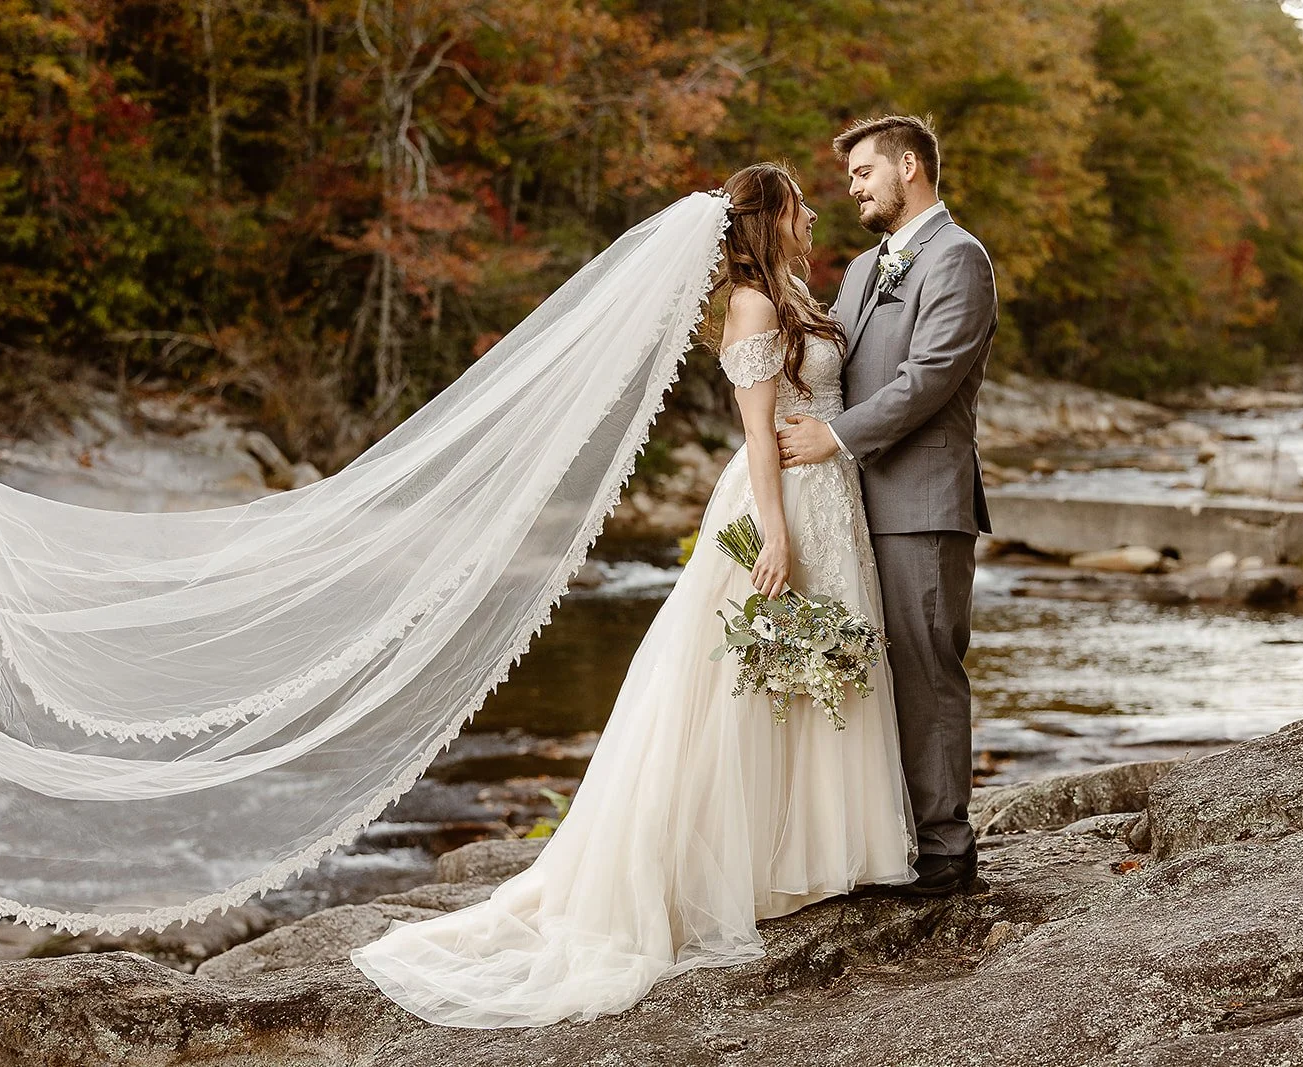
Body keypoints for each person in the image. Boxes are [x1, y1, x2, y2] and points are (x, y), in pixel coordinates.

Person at [348, 161, 917, 1028]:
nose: (815, 212)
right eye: (801, 203)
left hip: (833, 502)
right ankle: (736, 867)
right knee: (749, 686)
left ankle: (815, 854)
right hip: (785, 504)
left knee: (819, 677)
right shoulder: (754, 307)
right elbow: (759, 434)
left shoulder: (798, 289)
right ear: (772, 218)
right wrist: (773, 530)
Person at [778, 114, 998, 896]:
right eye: (849, 180)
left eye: (865, 172)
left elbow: (928, 380)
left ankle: (945, 849)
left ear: (910, 165)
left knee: (925, 667)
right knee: (867, 673)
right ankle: (887, 837)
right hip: (848, 507)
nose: (854, 189)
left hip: (920, 502)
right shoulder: (867, 264)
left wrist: (831, 438)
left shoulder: (959, 259)